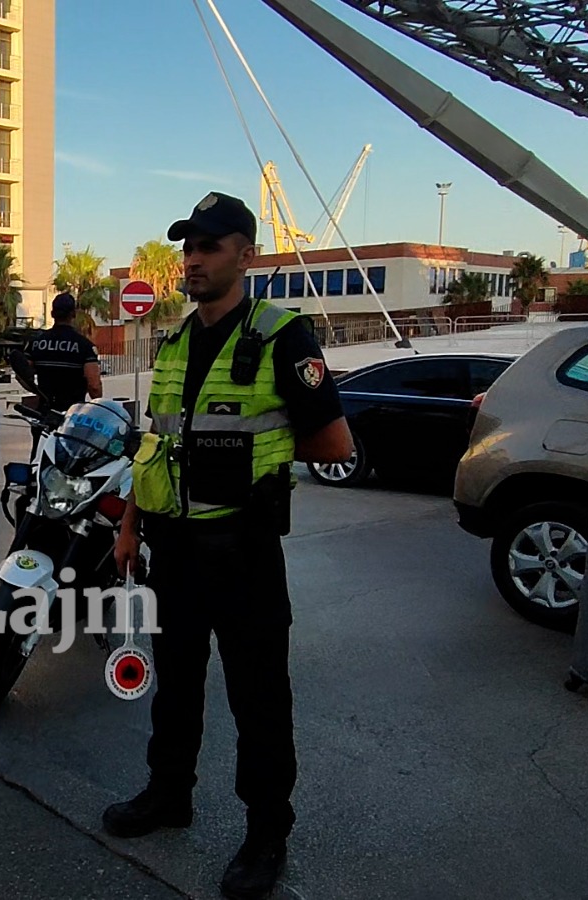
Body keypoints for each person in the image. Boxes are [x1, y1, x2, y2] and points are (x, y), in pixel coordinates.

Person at [102, 192, 355, 900]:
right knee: (175, 685)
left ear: (246, 254)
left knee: (259, 700)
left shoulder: (283, 336)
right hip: (173, 550)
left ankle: (266, 834)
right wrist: (128, 525)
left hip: (242, 551)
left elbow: (335, 441)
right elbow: (155, 444)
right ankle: (168, 793)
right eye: (188, 247)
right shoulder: (177, 342)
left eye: (209, 247)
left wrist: (250, 461)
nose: (193, 260)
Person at [18, 292, 103, 411]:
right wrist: (97, 406)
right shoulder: (84, 346)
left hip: (45, 412)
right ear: (73, 314)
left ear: (52, 314)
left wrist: (38, 392)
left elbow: (21, 375)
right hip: (72, 414)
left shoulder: (35, 343)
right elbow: (94, 386)